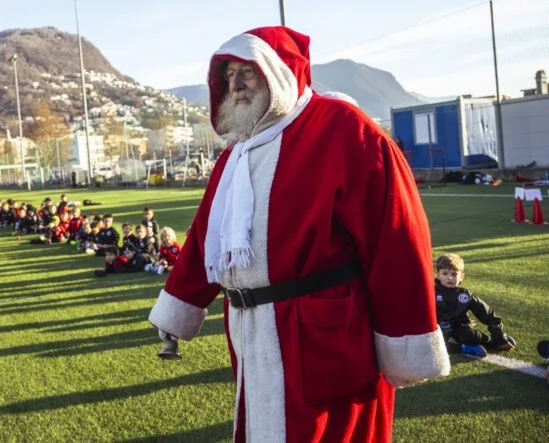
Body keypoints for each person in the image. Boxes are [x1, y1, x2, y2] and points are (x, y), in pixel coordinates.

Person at [148, 26, 449, 442]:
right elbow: (205, 238)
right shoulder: (236, 153)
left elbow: (396, 237)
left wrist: (406, 338)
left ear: (279, 74)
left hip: (325, 334)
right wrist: (180, 307)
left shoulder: (343, 130)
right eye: (229, 74)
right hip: (250, 332)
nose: (235, 86)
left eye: (247, 73)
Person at [435, 253, 516, 357]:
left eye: (454, 274)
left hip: (461, 328)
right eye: (445, 274)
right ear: (438, 275)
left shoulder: (464, 295)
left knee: (468, 335)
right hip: (440, 329)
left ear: (461, 277)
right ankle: (463, 349)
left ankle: (493, 342)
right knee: (438, 342)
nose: (450, 278)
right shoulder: (432, 293)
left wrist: (498, 336)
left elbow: (487, 313)